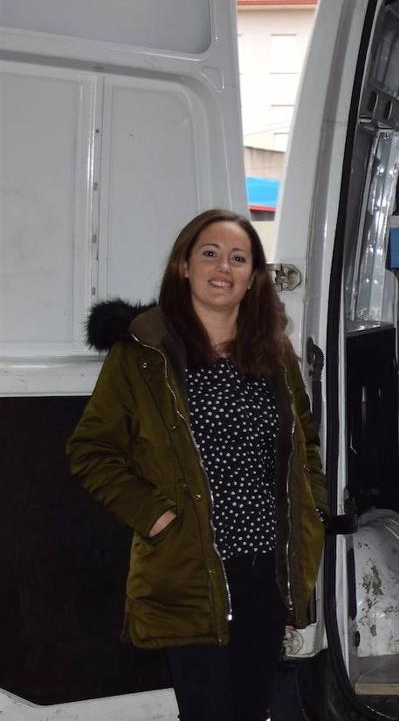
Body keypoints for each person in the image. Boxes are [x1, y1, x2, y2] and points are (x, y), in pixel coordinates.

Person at [66, 208, 330, 721]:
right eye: (209, 253)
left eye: (238, 258)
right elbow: (90, 450)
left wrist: (312, 512)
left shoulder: (274, 354)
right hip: (188, 567)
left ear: (253, 276)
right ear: (184, 265)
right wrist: (156, 515)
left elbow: (306, 445)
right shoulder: (142, 355)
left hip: (266, 571)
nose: (222, 267)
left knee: (252, 710)